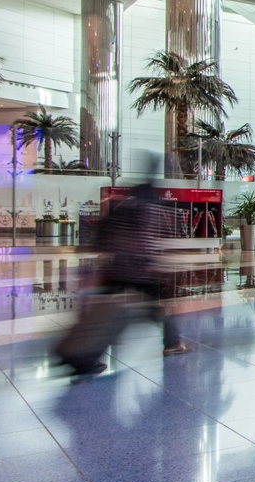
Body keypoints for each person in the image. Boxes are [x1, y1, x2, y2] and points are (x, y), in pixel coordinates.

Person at [62, 156, 185, 375]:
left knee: (101, 313)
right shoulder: (154, 207)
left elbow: (101, 238)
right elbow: (155, 242)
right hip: (142, 270)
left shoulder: (122, 207)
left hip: (116, 269)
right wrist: (159, 266)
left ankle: (88, 357)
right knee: (160, 308)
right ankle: (172, 344)